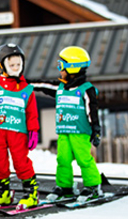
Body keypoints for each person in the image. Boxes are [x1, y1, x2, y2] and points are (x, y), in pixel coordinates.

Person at [31, 46, 102, 203]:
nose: (59, 69)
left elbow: (93, 111)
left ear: (72, 67)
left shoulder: (86, 89)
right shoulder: (60, 87)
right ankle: (65, 187)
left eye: (61, 65)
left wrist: (96, 130)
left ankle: (93, 186)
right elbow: (43, 86)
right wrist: (24, 84)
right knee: (62, 159)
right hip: (64, 131)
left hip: (80, 132)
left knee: (84, 159)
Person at [0, 44, 40, 210]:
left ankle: (31, 193)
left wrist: (33, 131)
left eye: (18, 65)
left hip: (18, 132)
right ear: (2, 66)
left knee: (21, 162)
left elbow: (31, 113)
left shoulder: (26, 90)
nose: (15, 68)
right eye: (12, 65)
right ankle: (3, 193)